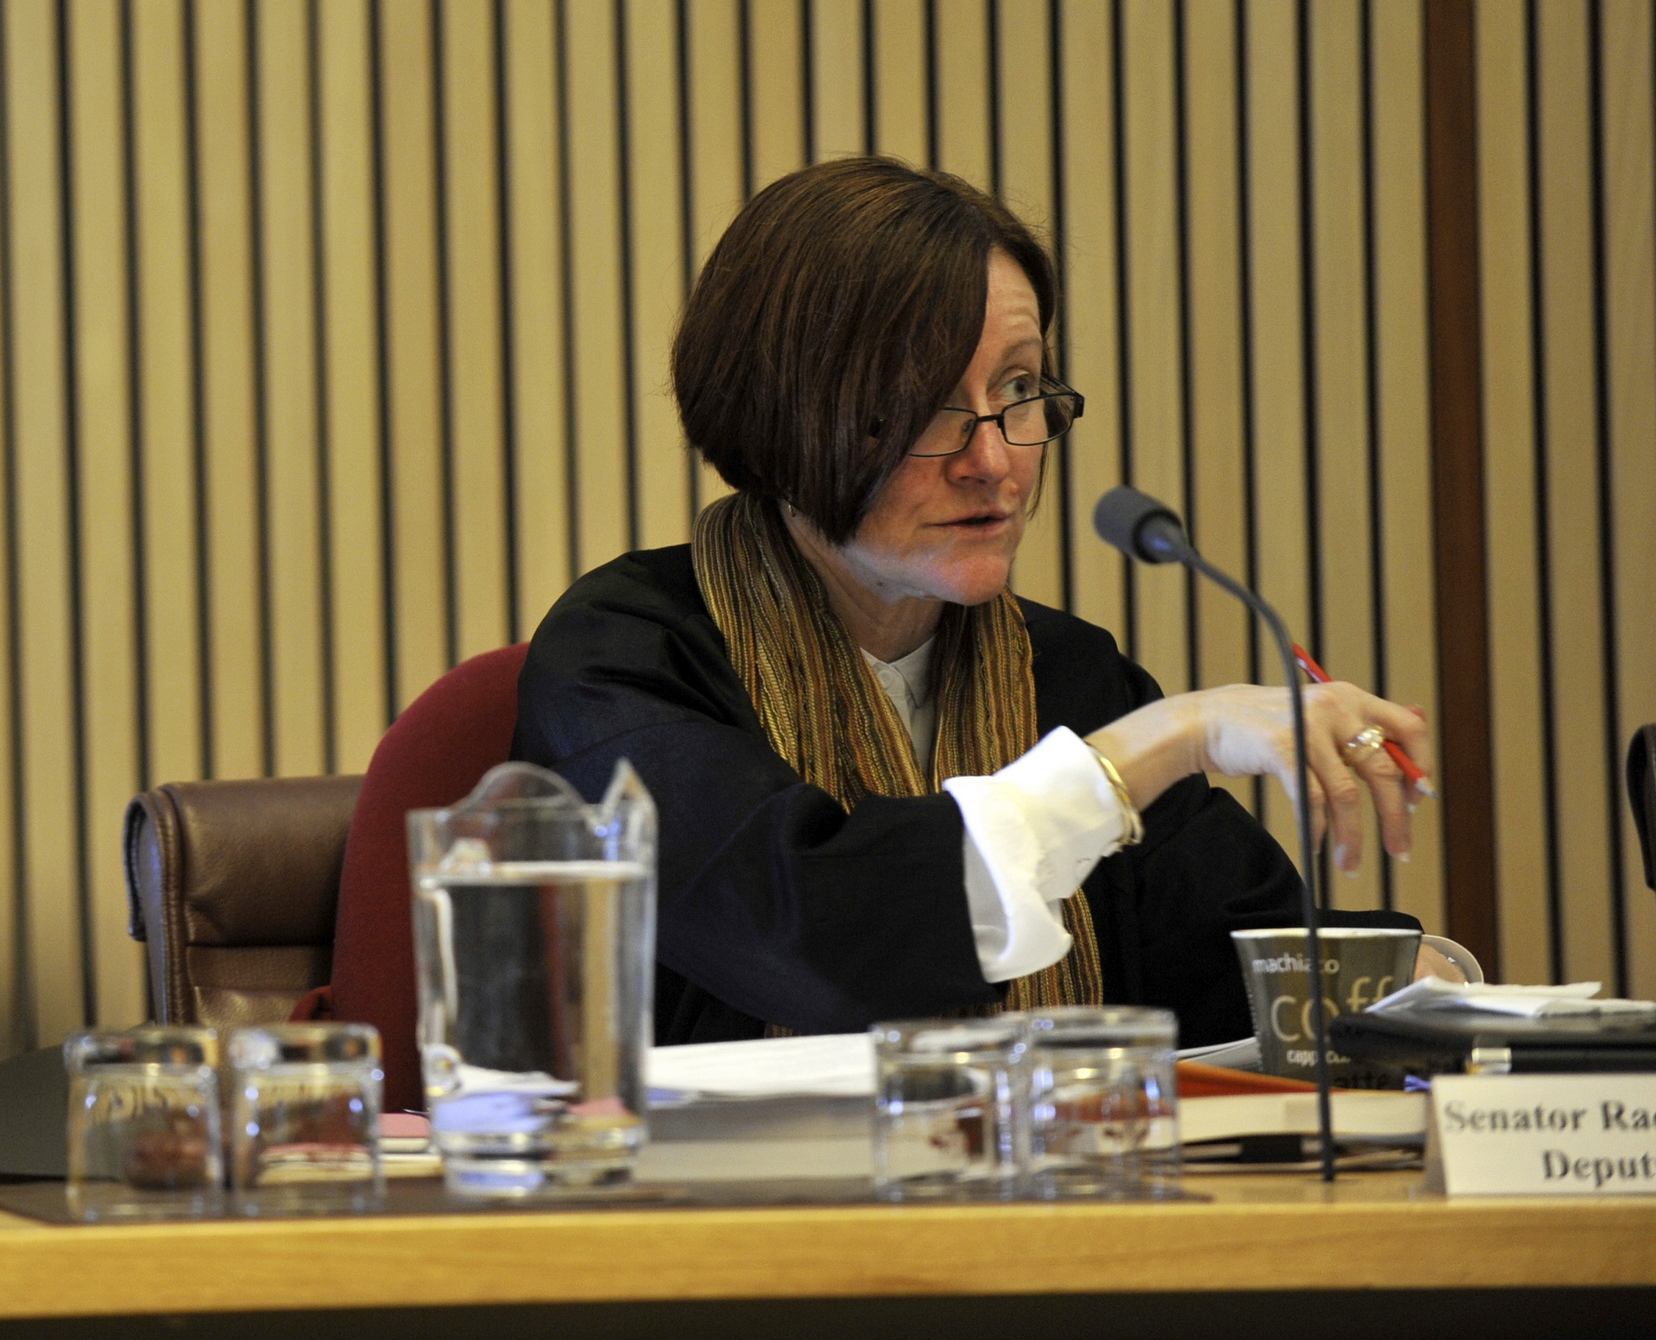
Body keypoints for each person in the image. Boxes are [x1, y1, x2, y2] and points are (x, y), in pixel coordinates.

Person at [515, 156, 1458, 1043]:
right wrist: (1158, 746)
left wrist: (1437, 990)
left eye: (1018, 387)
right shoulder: (624, 659)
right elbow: (824, 945)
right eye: (927, 403)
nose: (996, 459)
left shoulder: (1069, 676)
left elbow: (1231, 979)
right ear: (784, 411)